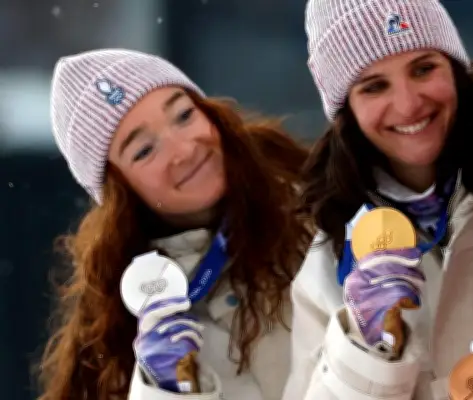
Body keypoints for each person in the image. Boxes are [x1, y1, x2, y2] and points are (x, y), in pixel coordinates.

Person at [38, 49, 312, 400]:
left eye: (183, 115)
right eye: (143, 151)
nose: (184, 150)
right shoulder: (120, 329)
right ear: (120, 191)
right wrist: (160, 392)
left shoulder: (320, 210)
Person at [282, 0, 473, 398]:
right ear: (345, 109)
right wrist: (364, 350)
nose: (408, 104)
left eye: (423, 69)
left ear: (455, 69)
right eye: (374, 86)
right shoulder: (330, 258)